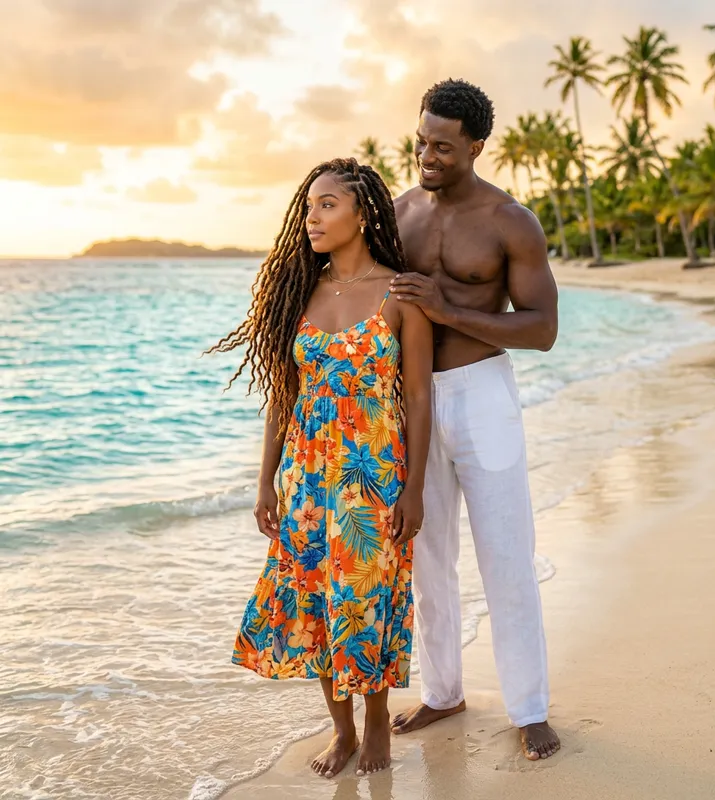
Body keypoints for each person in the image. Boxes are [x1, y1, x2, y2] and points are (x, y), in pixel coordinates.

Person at [209, 158, 433, 778]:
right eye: (309, 206)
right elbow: (282, 396)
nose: (312, 217)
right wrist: (265, 482)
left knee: (366, 600)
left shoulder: (400, 293)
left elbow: (418, 396)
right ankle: (343, 733)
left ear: (362, 214)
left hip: (372, 480)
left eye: (327, 205)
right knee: (316, 606)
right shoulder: (297, 293)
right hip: (306, 481)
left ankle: (378, 721)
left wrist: (415, 488)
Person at [389, 79, 561, 761]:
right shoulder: (398, 213)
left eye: (443, 146)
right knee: (427, 554)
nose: (427, 154)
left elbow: (543, 328)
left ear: (476, 145)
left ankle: (529, 707)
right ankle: (443, 690)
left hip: (484, 392)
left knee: (505, 553)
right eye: (422, 140)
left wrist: (448, 309)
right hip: (414, 399)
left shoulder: (509, 221)